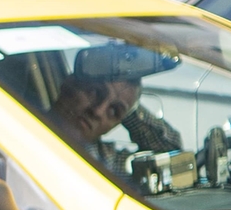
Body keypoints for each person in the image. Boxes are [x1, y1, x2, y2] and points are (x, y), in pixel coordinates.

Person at [45, 43, 182, 178]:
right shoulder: (24, 126)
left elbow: (172, 156)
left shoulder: (104, 162)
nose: (98, 111)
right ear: (68, 83)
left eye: (114, 111)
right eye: (95, 92)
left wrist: (130, 108)